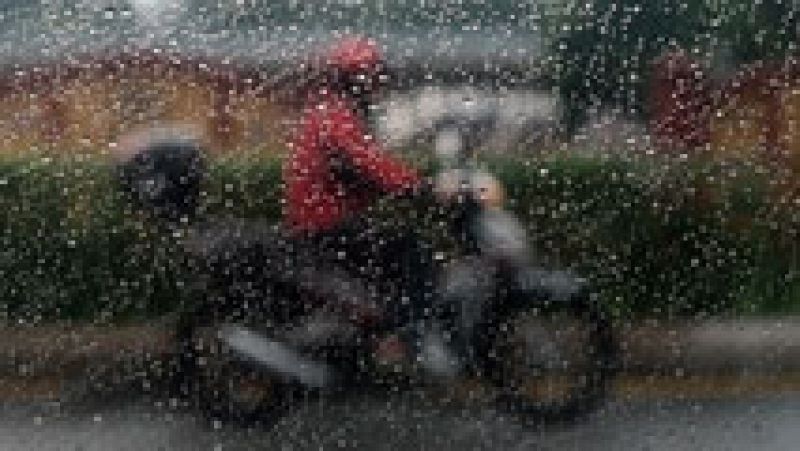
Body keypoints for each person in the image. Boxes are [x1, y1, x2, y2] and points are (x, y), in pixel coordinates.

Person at [283, 36, 451, 372]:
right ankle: (413, 339)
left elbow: (360, 172)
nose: (376, 86)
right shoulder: (335, 115)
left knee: (394, 251)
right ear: (353, 80)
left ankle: (385, 334)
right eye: (371, 78)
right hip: (325, 226)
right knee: (412, 251)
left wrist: (410, 186)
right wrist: (423, 188)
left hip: (325, 222)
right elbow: (368, 164)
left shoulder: (332, 111)